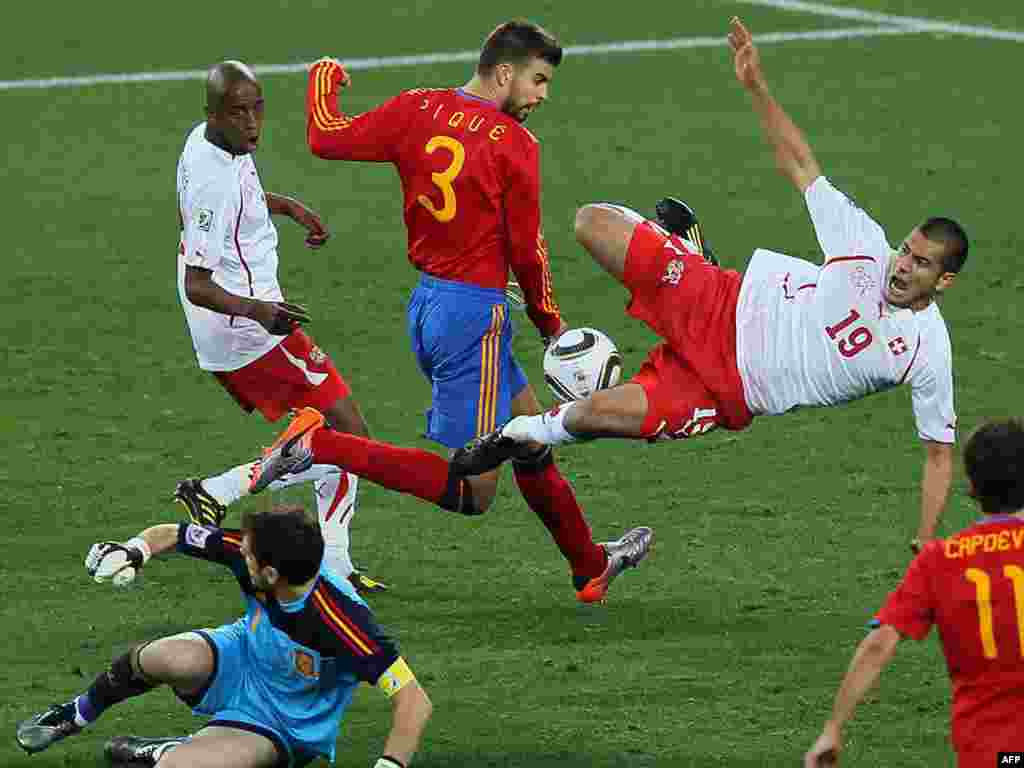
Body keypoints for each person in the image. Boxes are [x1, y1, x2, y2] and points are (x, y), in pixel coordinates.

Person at [453, 16, 968, 548]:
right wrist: (756, 87)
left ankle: (514, 435)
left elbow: (937, 452)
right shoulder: (863, 246)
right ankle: (685, 254)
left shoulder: (927, 352)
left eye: (921, 263)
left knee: (600, 416)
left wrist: (928, 536)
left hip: (727, 389)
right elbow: (800, 164)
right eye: (906, 250)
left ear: (944, 281)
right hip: (719, 300)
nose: (903, 265)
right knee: (591, 223)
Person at [273, 20, 653, 603]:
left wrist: (324, 80)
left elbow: (327, 137)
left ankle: (589, 566)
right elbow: (528, 251)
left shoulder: (416, 108)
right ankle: (322, 446)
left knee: (530, 438)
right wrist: (553, 324)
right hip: (473, 318)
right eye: (537, 80)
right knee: (473, 490)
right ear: (504, 73)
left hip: (429, 304)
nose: (541, 96)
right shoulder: (515, 145)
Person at [174, 60, 384, 592]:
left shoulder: (209, 142)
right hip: (248, 329)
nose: (251, 123)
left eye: (257, 109)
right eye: (238, 112)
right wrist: (261, 313)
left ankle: (335, 564)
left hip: (244, 324)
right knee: (352, 438)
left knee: (339, 437)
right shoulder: (211, 179)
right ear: (214, 113)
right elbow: (199, 282)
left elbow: (235, 208)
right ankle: (221, 491)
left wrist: (284, 207)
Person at [15, 506, 432, 767]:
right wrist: (133, 551)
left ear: (270, 573)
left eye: (248, 554)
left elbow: (414, 700)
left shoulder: (342, 621)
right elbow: (176, 533)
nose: (239, 551)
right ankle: (75, 714)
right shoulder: (259, 554)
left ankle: (162, 751)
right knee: (159, 657)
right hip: (240, 656)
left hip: (284, 721)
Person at [804, 418, 1024, 767]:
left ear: (971, 486)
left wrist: (833, 727)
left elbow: (879, 644)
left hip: (987, 750)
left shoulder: (941, 561)